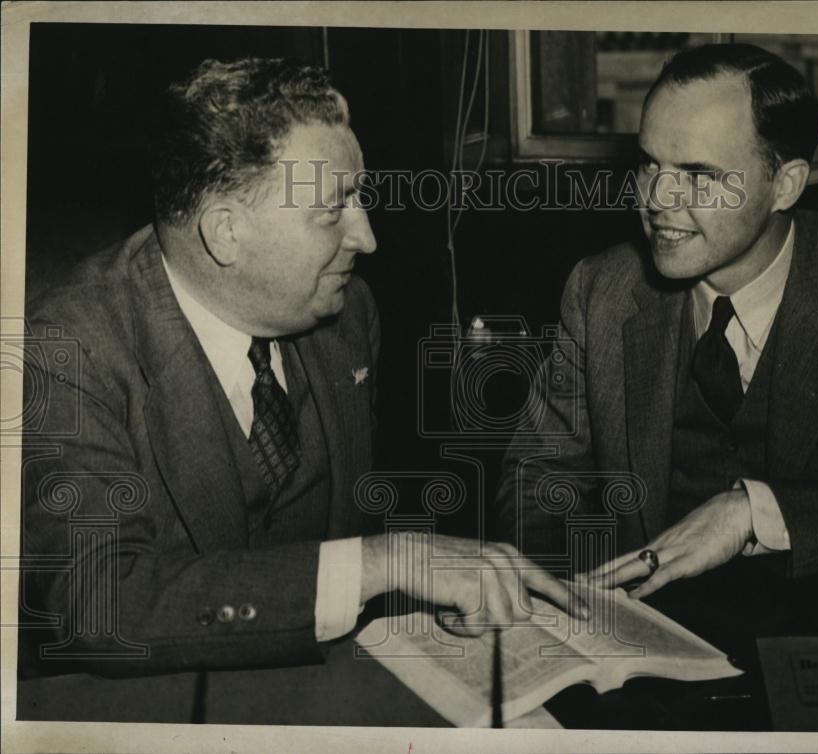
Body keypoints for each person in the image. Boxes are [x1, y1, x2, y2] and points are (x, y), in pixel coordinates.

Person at [18, 57, 583, 723]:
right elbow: (99, 602)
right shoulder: (67, 349)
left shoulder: (347, 316)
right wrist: (381, 563)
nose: (366, 236)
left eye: (360, 197)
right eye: (333, 210)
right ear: (226, 231)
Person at [495, 44, 818, 645]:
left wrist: (759, 511)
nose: (657, 200)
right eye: (648, 165)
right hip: (636, 641)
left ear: (785, 184)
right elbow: (540, 477)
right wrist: (557, 610)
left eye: (698, 176)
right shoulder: (601, 290)